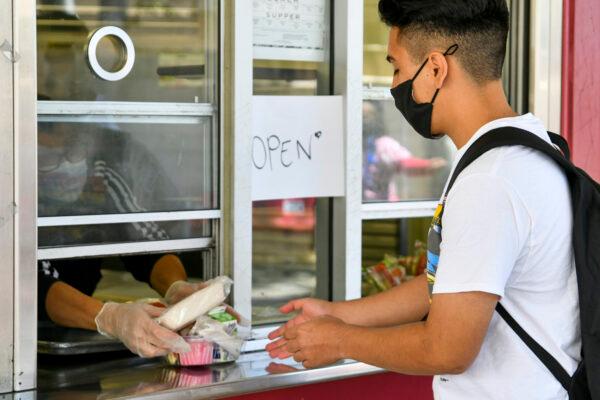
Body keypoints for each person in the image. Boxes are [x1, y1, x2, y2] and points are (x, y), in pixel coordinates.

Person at [266, 1, 581, 399]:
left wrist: (340, 340)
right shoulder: (529, 149)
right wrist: (338, 314)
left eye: (396, 67)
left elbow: (447, 349)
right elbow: (452, 282)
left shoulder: (491, 180)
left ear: (435, 68)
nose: (394, 85)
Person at [38, 122, 208, 358]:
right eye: (50, 157)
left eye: (73, 151)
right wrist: (110, 317)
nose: (66, 162)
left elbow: (145, 245)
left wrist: (176, 287)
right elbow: (27, 283)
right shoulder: (11, 192)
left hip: (72, 337)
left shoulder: (99, 180)